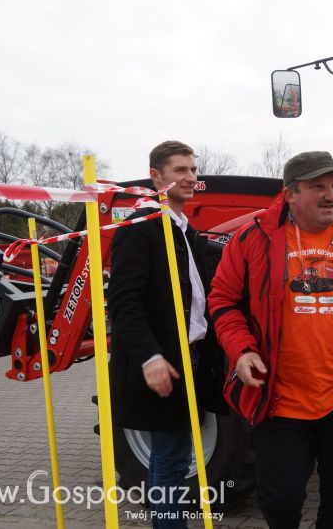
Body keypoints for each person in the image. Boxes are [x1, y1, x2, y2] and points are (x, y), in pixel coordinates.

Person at [208, 151, 333, 529]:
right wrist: (242, 350)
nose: (331, 195)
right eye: (318, 186)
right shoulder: (254, 238)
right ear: (290, 194)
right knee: (279, 501)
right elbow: (223, 300)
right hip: (281, 399)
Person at [108, 140, 225, 528]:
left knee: (173, 456)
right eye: (181, 170)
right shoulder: (139, 230)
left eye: (193, 169)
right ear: (156, 176)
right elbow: (125, 304)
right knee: (171, 461)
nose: (192, 177)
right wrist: (150, 357)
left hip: (189, 359)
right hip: (163, 362)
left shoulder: (185, 230)